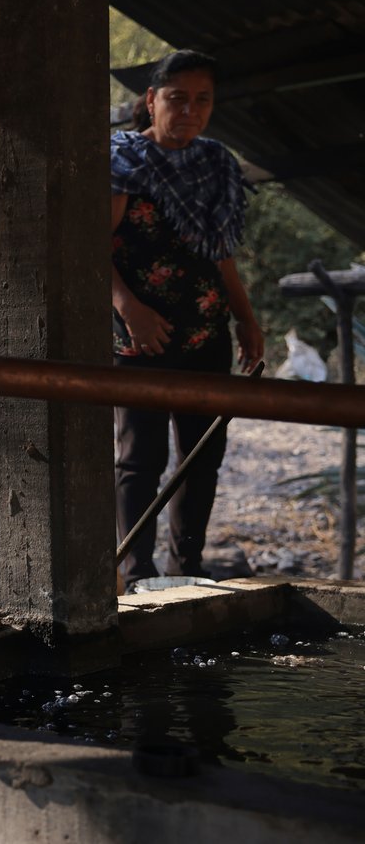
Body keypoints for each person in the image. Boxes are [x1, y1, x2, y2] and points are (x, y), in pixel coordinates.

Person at [110, 49, 263, 587]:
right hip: (141, 338)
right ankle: (136, 572)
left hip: (206, 334)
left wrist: (245, 320)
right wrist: (130, 309)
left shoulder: (217, 162)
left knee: (202, 457)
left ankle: (186, 571)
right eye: (177, 99)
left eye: (203, 101)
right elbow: (90, 247)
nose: (190, 111)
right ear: (151, 100)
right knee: (140, 461)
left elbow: (221, 253)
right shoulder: (122, 160)